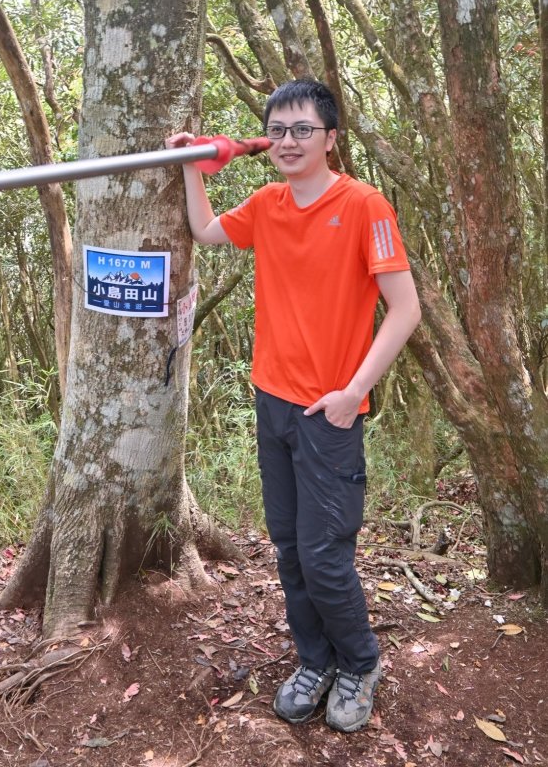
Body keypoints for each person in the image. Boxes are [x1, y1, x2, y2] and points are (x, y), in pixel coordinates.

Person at [167, 78, 421, 733]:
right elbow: (204, 229)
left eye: (302, 129)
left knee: (325, 553)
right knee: (287, 548)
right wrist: (194, 165)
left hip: (329, 413)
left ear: (331, 138)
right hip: (271, 402)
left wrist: (353, 393)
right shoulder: (269, 204)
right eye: (277, 130)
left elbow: (406, 310)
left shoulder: (365, 205)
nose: (287, 141)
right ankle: (315, 660)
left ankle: (360, 662)